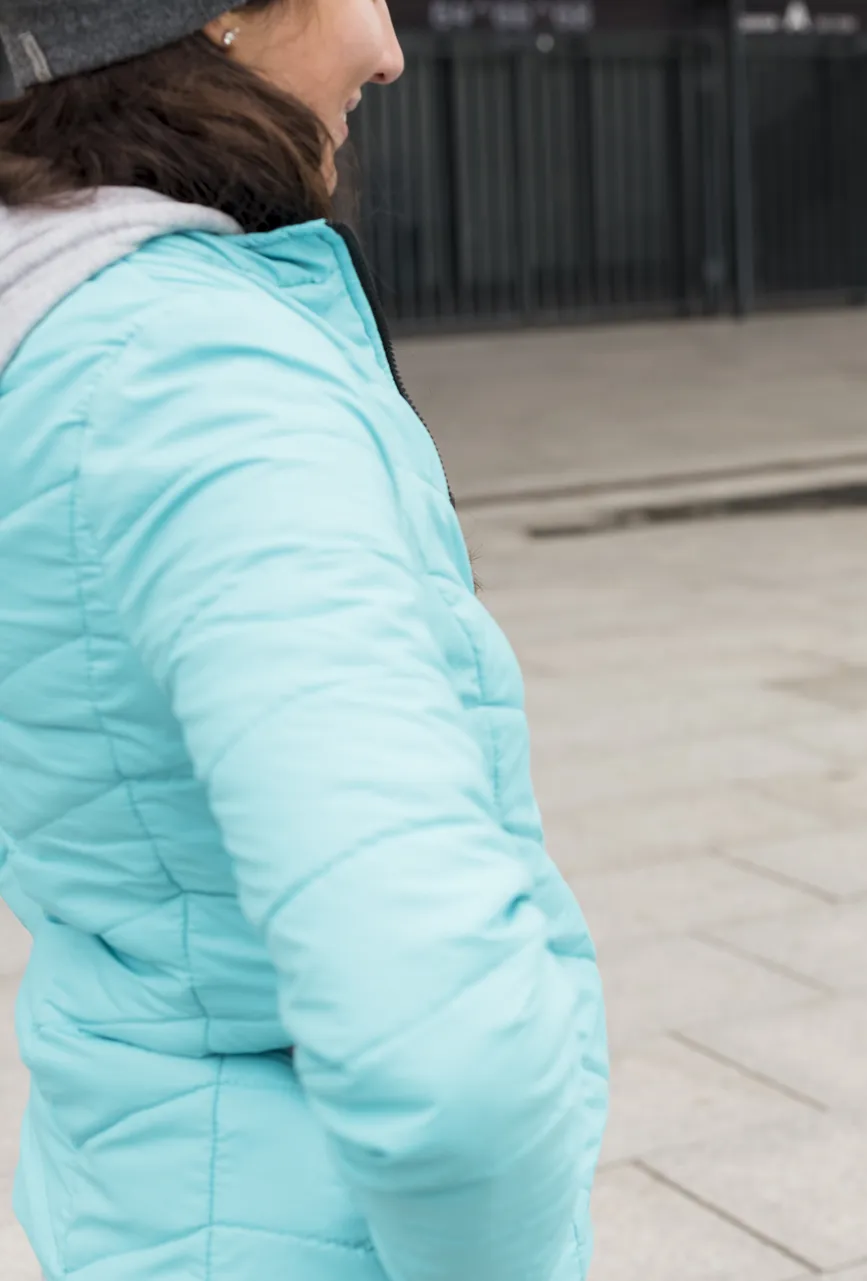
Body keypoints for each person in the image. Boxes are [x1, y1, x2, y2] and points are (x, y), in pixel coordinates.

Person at [0, 3, 607, 1278]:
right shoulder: (197, 383)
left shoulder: (53, 336)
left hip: (149, 1189)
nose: (388, 49)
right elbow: (446, 1053)